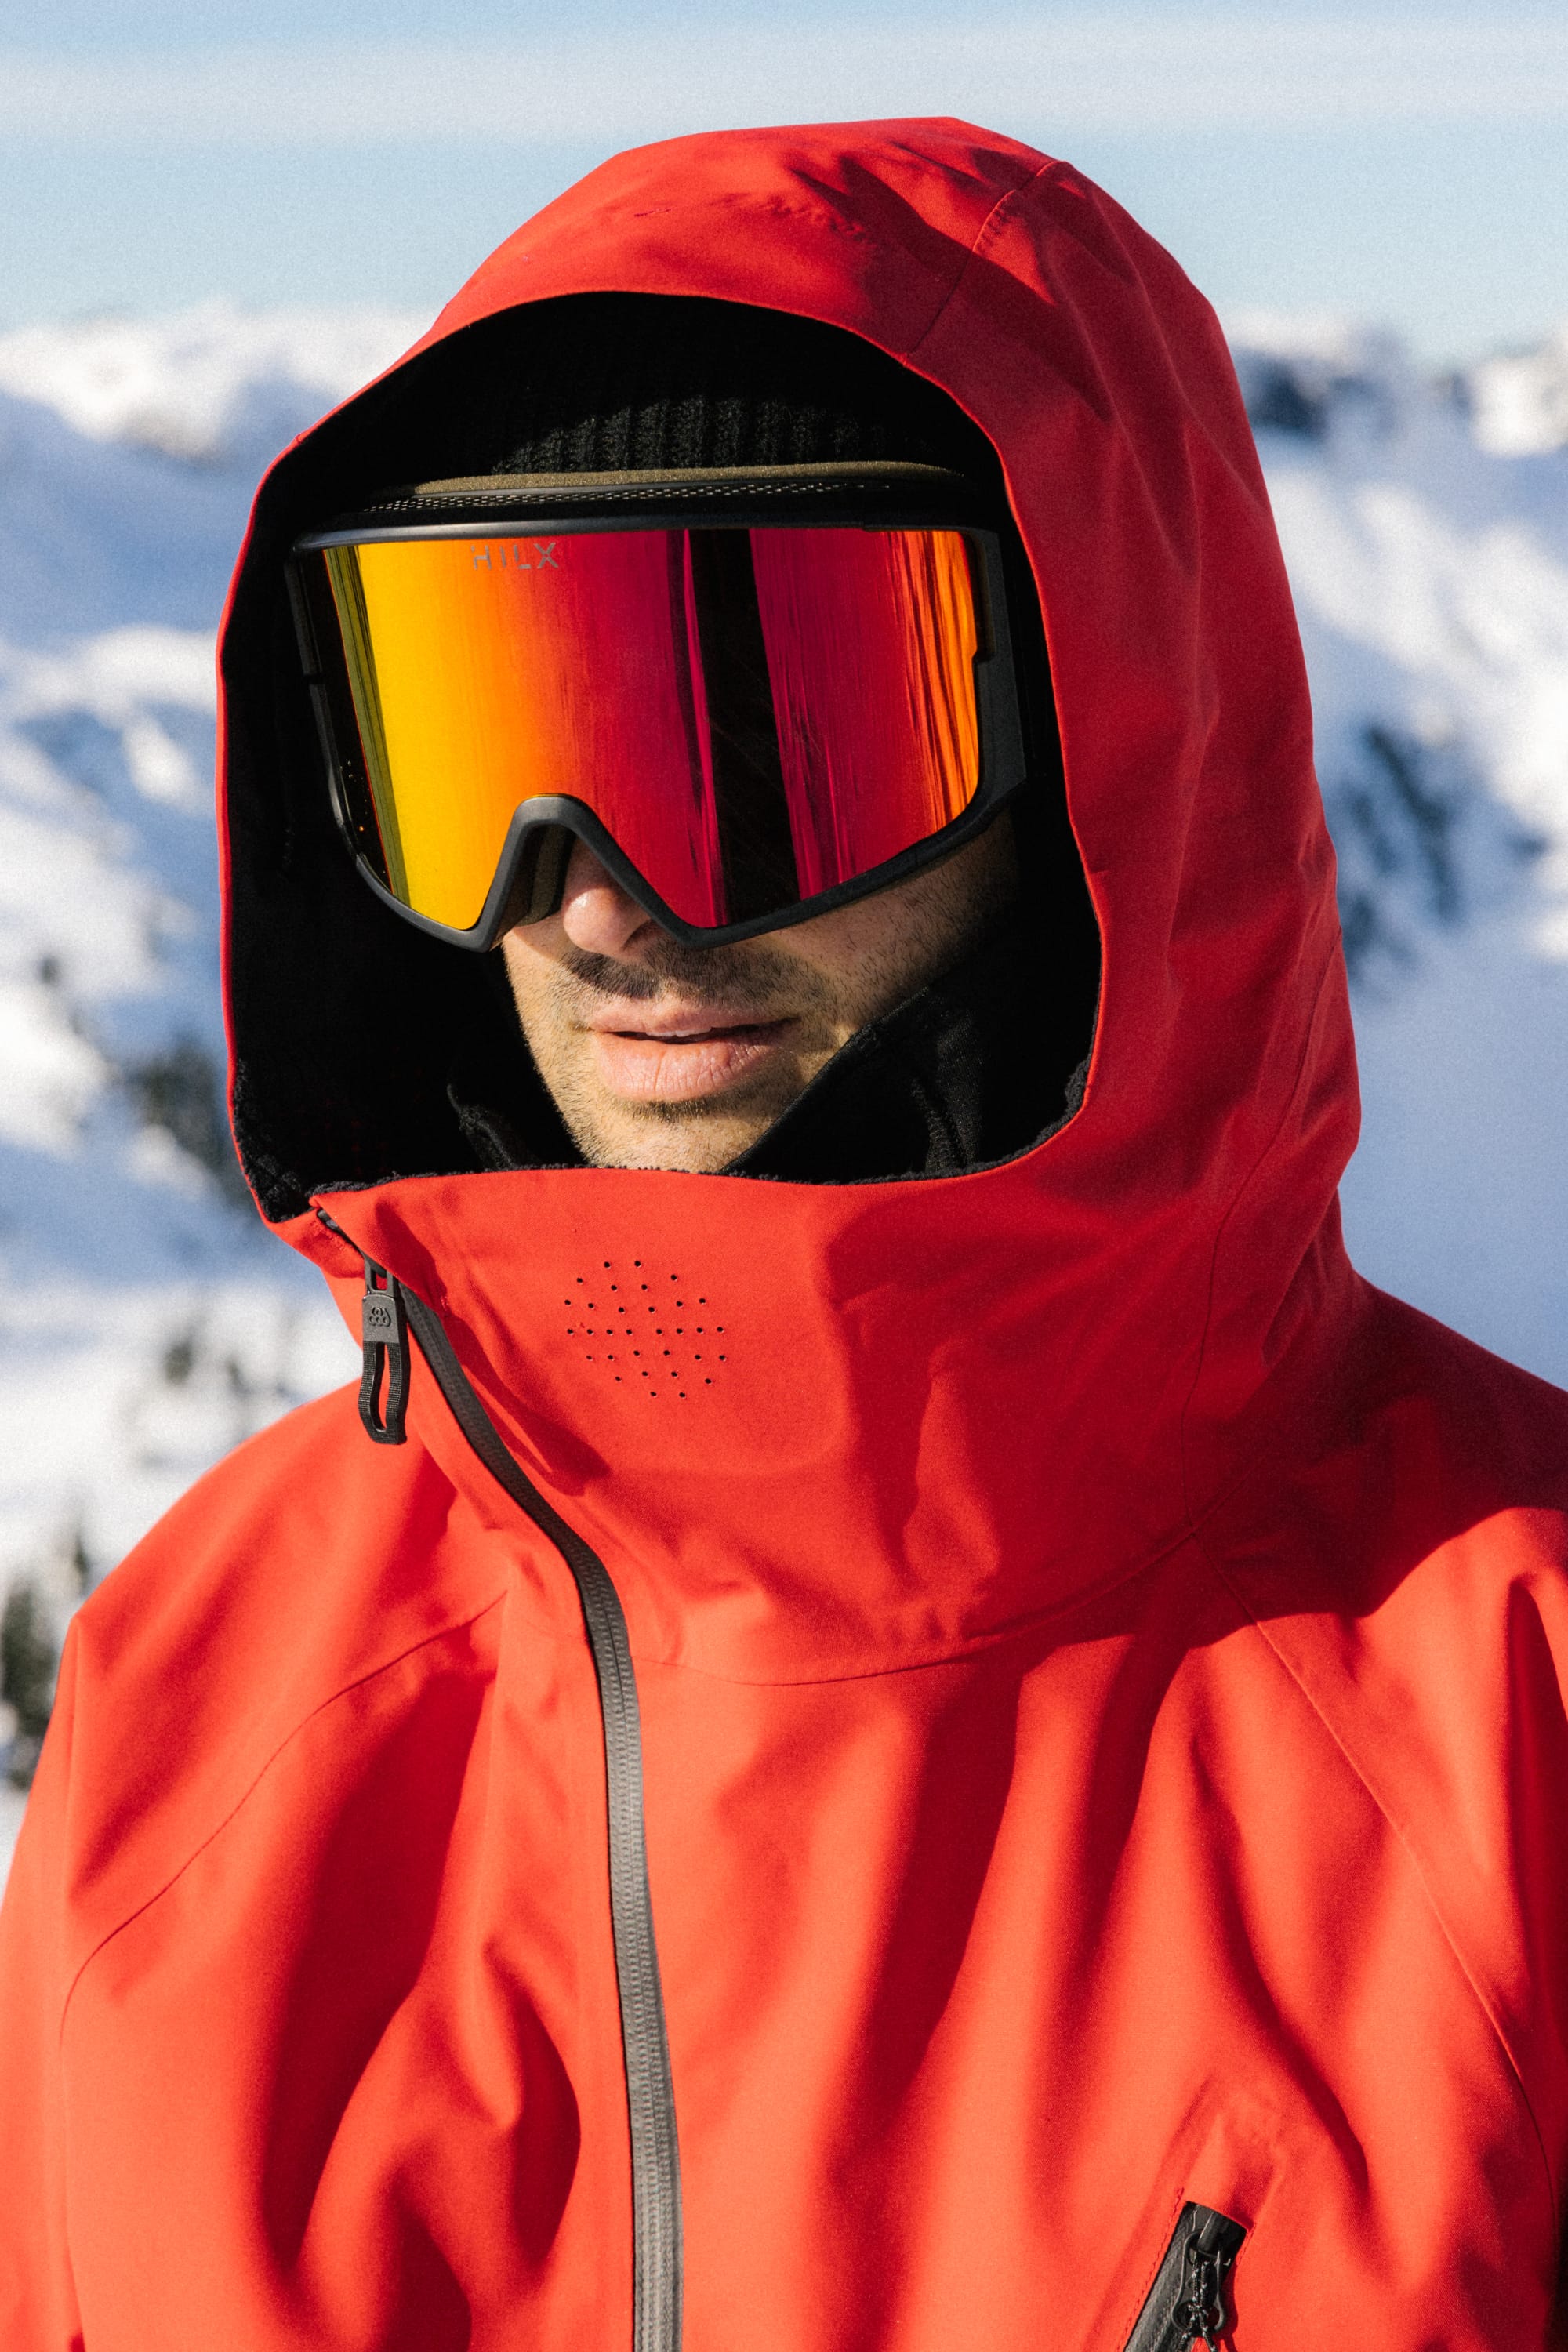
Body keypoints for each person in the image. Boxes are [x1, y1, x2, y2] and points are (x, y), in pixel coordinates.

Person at [2, 116, 1566, 2352]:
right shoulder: (209, 1703)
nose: (603, 891)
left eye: (779, 729)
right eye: (483, 741)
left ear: (1102, 753)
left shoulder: (1515, 1720)